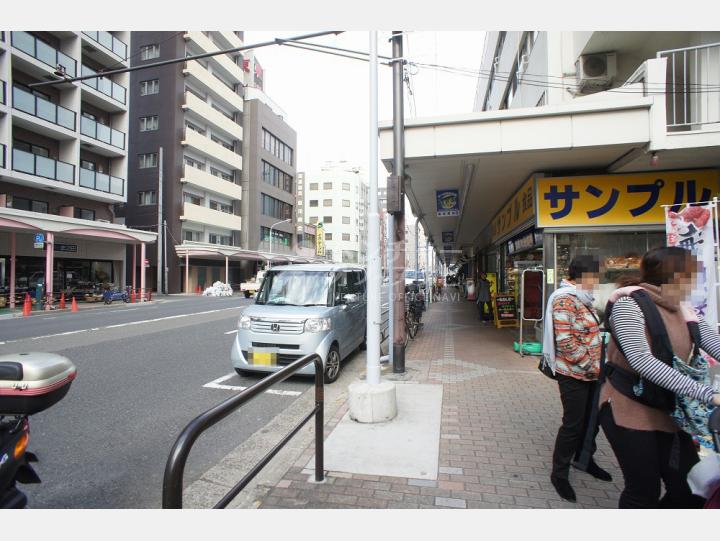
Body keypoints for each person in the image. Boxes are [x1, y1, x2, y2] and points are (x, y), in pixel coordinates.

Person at [600, 246, 720, 508]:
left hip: (670, 411)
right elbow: (642, 360)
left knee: (689, 487)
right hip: (628, 408)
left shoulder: (685, 309)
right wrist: (709, 395)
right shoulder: (628, 305)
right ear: (676, 276)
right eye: (693, 276)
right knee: (643, 490)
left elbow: (714, 343)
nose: (696, 283)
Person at [542, 255, 612, 503]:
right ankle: (559, 474)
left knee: (592, 421)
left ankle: (584, 459)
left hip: (593, 371)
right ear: (584, 275)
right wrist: (590, 366)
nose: (598, 281)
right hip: (574, 373)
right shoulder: (564, 300)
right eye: (596, 276)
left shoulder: (583, 299)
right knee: (573, 424)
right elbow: (565, 342)